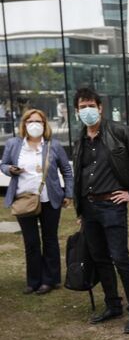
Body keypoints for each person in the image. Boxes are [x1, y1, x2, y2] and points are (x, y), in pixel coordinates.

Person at [72, 87, 129, 334]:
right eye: (82, 107)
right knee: (100, 258)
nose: (87, 110)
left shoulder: (119, 131)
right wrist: (80, 210)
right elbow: (79, 175)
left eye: (90, 105)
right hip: (89, 207)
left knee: (120, 258)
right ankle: (113, 305)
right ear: (76, 111)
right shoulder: (80, 138)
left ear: (100, 107)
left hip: (113, 205)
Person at [1, 109, 73, 294]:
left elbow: (67, 171)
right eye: (30, 121)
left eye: (39, 121)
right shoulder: (14, 144)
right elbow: (3, 164)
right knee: (31, 242)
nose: (34, 124)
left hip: (49, 200)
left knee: (50, 240)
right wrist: (10, 169)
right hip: (24, 199)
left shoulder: (53, 145)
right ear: (24, 124)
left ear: (44, 124)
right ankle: (33, 280)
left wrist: (69, 193)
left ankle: (50, 279)